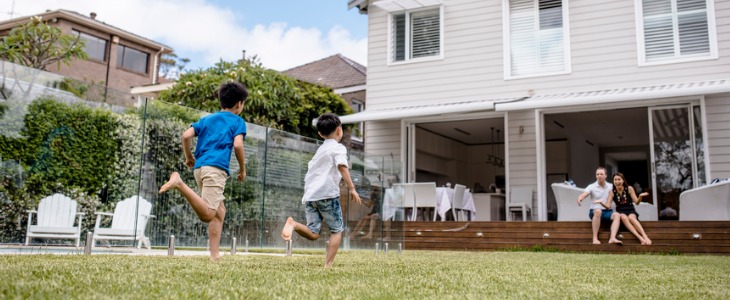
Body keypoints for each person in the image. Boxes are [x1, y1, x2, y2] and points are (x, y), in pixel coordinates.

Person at [159, 81, 248, 261]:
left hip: (200, 168)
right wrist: (242, 169)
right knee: (208, 213)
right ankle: (179, 184)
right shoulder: (238, 121)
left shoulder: (207, 119)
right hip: (215, 169)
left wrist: (189, 157)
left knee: (219, 211)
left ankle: (214, 256)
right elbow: (238, 145)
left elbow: (186, 135)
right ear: (239, 104)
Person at [281, 113, 362, 268]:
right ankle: (328, 265)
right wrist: (352, 188)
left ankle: (294, 224)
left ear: (319, 133)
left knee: (314, 233)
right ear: (339, 130)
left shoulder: (320, 151)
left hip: (311, 196)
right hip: (327, 195)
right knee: (336, 230)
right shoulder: (338, 148)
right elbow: (342, 166)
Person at [577, 167, 623, 245]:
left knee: (617, 215)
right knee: (598, 211)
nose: (599, 176)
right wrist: (580, 198)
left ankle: (612, 238)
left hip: (607, 211)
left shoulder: (611, 186)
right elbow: (585, 194)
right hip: (595, 211)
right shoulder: (591, 186)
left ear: (605, 176)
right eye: (597, 174)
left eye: (601, 174)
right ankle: (595, 238)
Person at [609, 172, 652, 245]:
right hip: (620, 211)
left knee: (631, 218)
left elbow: (636, 202)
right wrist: (600, 203)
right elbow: (608, 205)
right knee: (624, 217)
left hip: (630, 210)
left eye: (619, 179)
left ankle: (645, 236)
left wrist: (640, 197)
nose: (617, 181)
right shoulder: (612, 192)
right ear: (613, 181)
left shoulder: (629, 188)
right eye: (615, 180)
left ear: (623, 180)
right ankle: (640, 238)